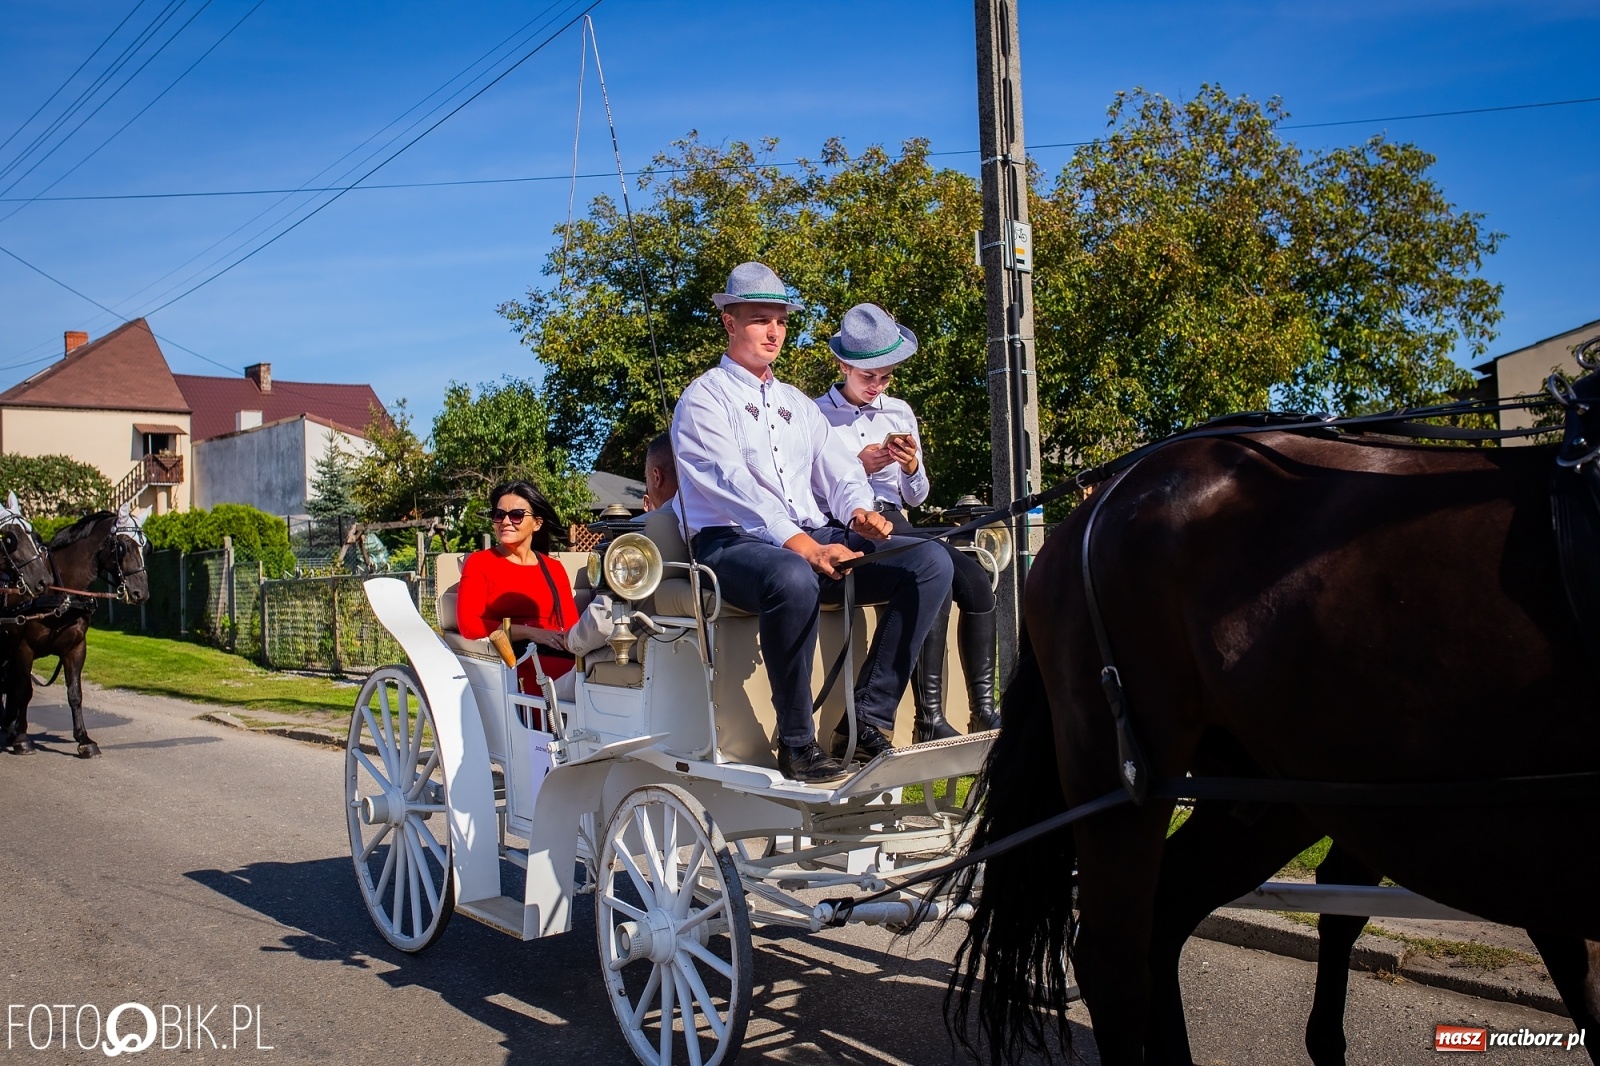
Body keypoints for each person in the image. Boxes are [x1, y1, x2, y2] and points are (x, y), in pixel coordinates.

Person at [671, 262, 954, 783]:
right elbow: (735, 486)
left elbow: (840, 469)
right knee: (792, 574)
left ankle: (867, 721)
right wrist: (805, 546)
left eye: (779, 320)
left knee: (929, 561)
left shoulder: (797, 404)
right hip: (728, 543)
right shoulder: (703, 399)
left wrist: (858, 513)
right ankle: (797, 744)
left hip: (805, 534)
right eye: (759, 320)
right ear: (729, 323)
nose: (773, 331)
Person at [815, 304, 1001, 741]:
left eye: (886, 376)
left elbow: (916, 496)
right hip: (850, 522)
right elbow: (808, 493)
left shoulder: (899, 411)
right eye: (868, 376)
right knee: (931, 562)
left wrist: (912, 465)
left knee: (974, 576)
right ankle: (929, 717)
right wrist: (857, 467)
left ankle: (984, 709)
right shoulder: (816, 415)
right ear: (843, 365)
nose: (877, 386)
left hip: (898, 518)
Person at [454, 480, 579, 697]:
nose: (505, 522)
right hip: (512, 661)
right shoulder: (479, 563)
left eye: (516, 515)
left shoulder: (553, 568)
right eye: (499, 514)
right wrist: (531, 633)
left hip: (558, 657)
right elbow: (469, 625)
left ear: (537, 523)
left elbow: (570, 624)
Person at [641, 432, 678, 512]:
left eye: (647, 478)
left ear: (657, 477)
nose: (647, 485)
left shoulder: (642, 523)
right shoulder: (708, 514)